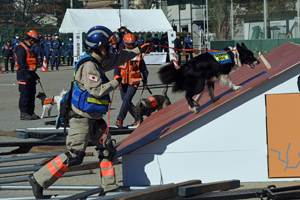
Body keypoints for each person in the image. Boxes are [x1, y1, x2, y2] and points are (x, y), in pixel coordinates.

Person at [27, 25, 152, 199]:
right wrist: (116, 82)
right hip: (81, 118)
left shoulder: (98, 59)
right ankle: (38, 180)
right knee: (75, 155)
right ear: (100, 47)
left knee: (107, 149)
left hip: (94, 117)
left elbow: (119, 58)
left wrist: (138, 50)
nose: (110, 50)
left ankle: (109, 186)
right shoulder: (89, 66)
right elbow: (97, 90)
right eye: (107, 47)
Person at [114, 33, 149, 128]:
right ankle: (137, 118)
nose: (130, 46)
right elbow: (116, 69)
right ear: (124, 43)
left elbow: (144, 69)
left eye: (132, 44)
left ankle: (119, 119)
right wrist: (117, 82)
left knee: (126, 99)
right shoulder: (120, 54)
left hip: (134, 81)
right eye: (129, 44)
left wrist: (145, 82)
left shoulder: (138, 54)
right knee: (126, 101)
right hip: (123, 81)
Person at [15, 30, 40, 120]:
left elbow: (31, 64)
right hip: (23, 74)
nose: (35, 44)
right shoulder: (21, 48)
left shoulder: (30, 49)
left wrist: (34, 74)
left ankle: (30, 112)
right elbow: (21, 63)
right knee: (25, 94)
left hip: (31, 74)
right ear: (31, 40)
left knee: (32, 94)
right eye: (35, 42)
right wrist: (26, 74)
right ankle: (24, 112)